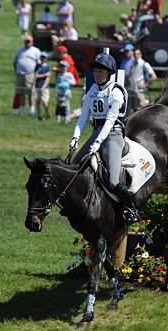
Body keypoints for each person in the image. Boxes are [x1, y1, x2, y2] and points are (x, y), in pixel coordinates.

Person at [69, 53, 140, 223]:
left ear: (108, 73)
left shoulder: (116, 92)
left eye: (100, 71)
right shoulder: (92, 90)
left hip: (113, 134)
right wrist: (75, 137)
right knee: (73, 168)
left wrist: (98, 143)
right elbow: (83, 117)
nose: (96, 74)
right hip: (97, 132)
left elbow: (110, 120)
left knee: (114, 181)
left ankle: (131, 209)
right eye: (95, 71)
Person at [14, 35, 41, 115]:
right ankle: (21, 109)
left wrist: (35, 74)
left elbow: (39, 64)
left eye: (29, 41)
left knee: (30, 92)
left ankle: (31, 109)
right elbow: (15, 61)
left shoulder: (36, 51)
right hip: (20, 74)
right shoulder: (20, 50)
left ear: (32, 42)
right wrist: (16, 71)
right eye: (26, 41)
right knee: (21, 91)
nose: (27, 43)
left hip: (30, 74)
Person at [127, 48, 156, 113]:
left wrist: (145, 85)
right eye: (134, 54)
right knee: (131, 111)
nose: (135, 55)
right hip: (131, 91)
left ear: (141, 55)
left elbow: (154, 77)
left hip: (140, 92)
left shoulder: (144, 64)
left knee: (142, 110)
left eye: (137, 54)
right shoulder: (131, 64)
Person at [34, 52, 51, 120]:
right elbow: (35, 76)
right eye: (42, 57)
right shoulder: (37, 66)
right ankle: (39, 114)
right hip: (37, 86)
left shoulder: (47, 67)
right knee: (37, 101)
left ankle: (47, 113)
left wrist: (44, 87)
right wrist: (44, 75)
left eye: (44, 57)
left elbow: (48, 78)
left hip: (44, 87)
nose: (42, 58)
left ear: (46, 58)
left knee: (44, 101)